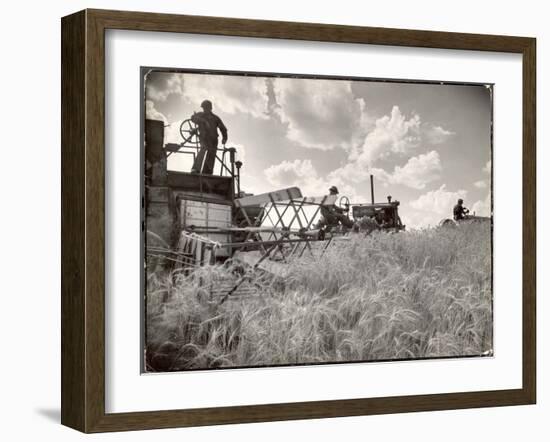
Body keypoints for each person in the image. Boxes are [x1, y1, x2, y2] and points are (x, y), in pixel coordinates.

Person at [190, 100, 228, 175]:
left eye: (206, 108)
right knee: (203, 149)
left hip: (213, 140)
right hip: (204, 138)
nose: (205, 109)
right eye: (204, 108)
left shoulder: (216, 118)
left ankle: (207, 172)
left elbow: (223, 129)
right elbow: (193, 118)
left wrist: (224, 138)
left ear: (210, 108)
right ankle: (196, 169)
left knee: (211, 155)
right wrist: (203, 120)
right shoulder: (200, 115)